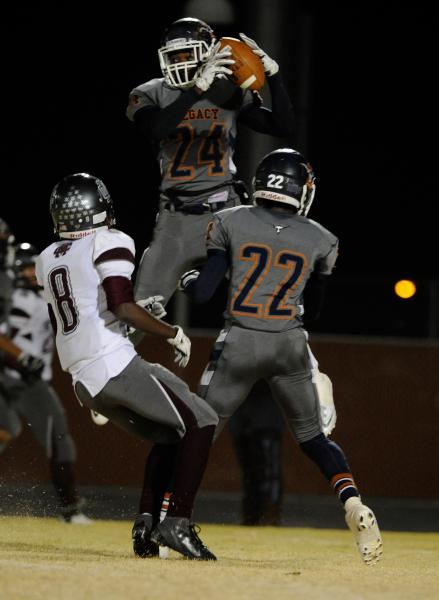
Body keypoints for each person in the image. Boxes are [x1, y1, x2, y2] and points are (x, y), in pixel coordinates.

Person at [180, 148, 383, 565]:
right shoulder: (322, 238)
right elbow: (318, 308)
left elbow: (202, 293)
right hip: (289, 344)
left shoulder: (230, 221)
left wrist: (186, 279)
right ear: (299, 190)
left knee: (199, 434)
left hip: (239, 341)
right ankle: (353, 504)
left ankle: (169, 515)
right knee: (314, 439)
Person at [35, 172, 219, 560]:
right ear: (99, 207)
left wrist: (135, 314)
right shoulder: (110, 240)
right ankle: (178, 523)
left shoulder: (47, 257)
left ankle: (146, 526)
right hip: (113, 365)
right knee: (202, 420)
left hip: (84, 381)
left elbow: (87, 312)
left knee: (172, 434)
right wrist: (170, 332)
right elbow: (120, 303)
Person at [126, 17, 294, 309]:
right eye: (174, 56)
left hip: (225, 210)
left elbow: (282, 126)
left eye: (187, 54)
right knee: (139, 312)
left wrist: (275, 77)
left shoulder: (226, 90)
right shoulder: (151, 91)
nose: (180, 62)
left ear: (207, 53)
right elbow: (155, 128)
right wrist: (195, 93)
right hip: (175, 217)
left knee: (264, 296)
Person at [0, 242, 91, 523]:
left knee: (57, 438)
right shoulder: (17, 299)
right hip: (11, 377)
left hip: (31, 381)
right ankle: (70, 509)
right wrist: (22, 358)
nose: (32, 274)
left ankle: (70, 508)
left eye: (34, 268)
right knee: (12, 431)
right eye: (27, 268)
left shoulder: (44, 299)